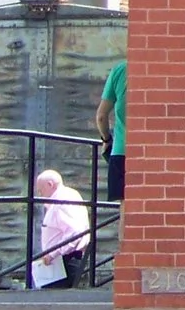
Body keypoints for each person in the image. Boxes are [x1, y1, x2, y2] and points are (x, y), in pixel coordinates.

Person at [32, 168, 92, 288]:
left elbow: (74, 231)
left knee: (56, 299)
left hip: (64, 262)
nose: (40, 195)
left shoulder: (61, 200)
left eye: (41, 190)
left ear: (50, 184)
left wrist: (52, 254)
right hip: (64, 260)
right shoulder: (69, 195)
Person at [96, 59, 127, 202]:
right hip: (154, 154)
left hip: (121, 152)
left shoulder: (120, 70)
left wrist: (106, 139)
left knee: (125, 207)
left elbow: (101, 116)